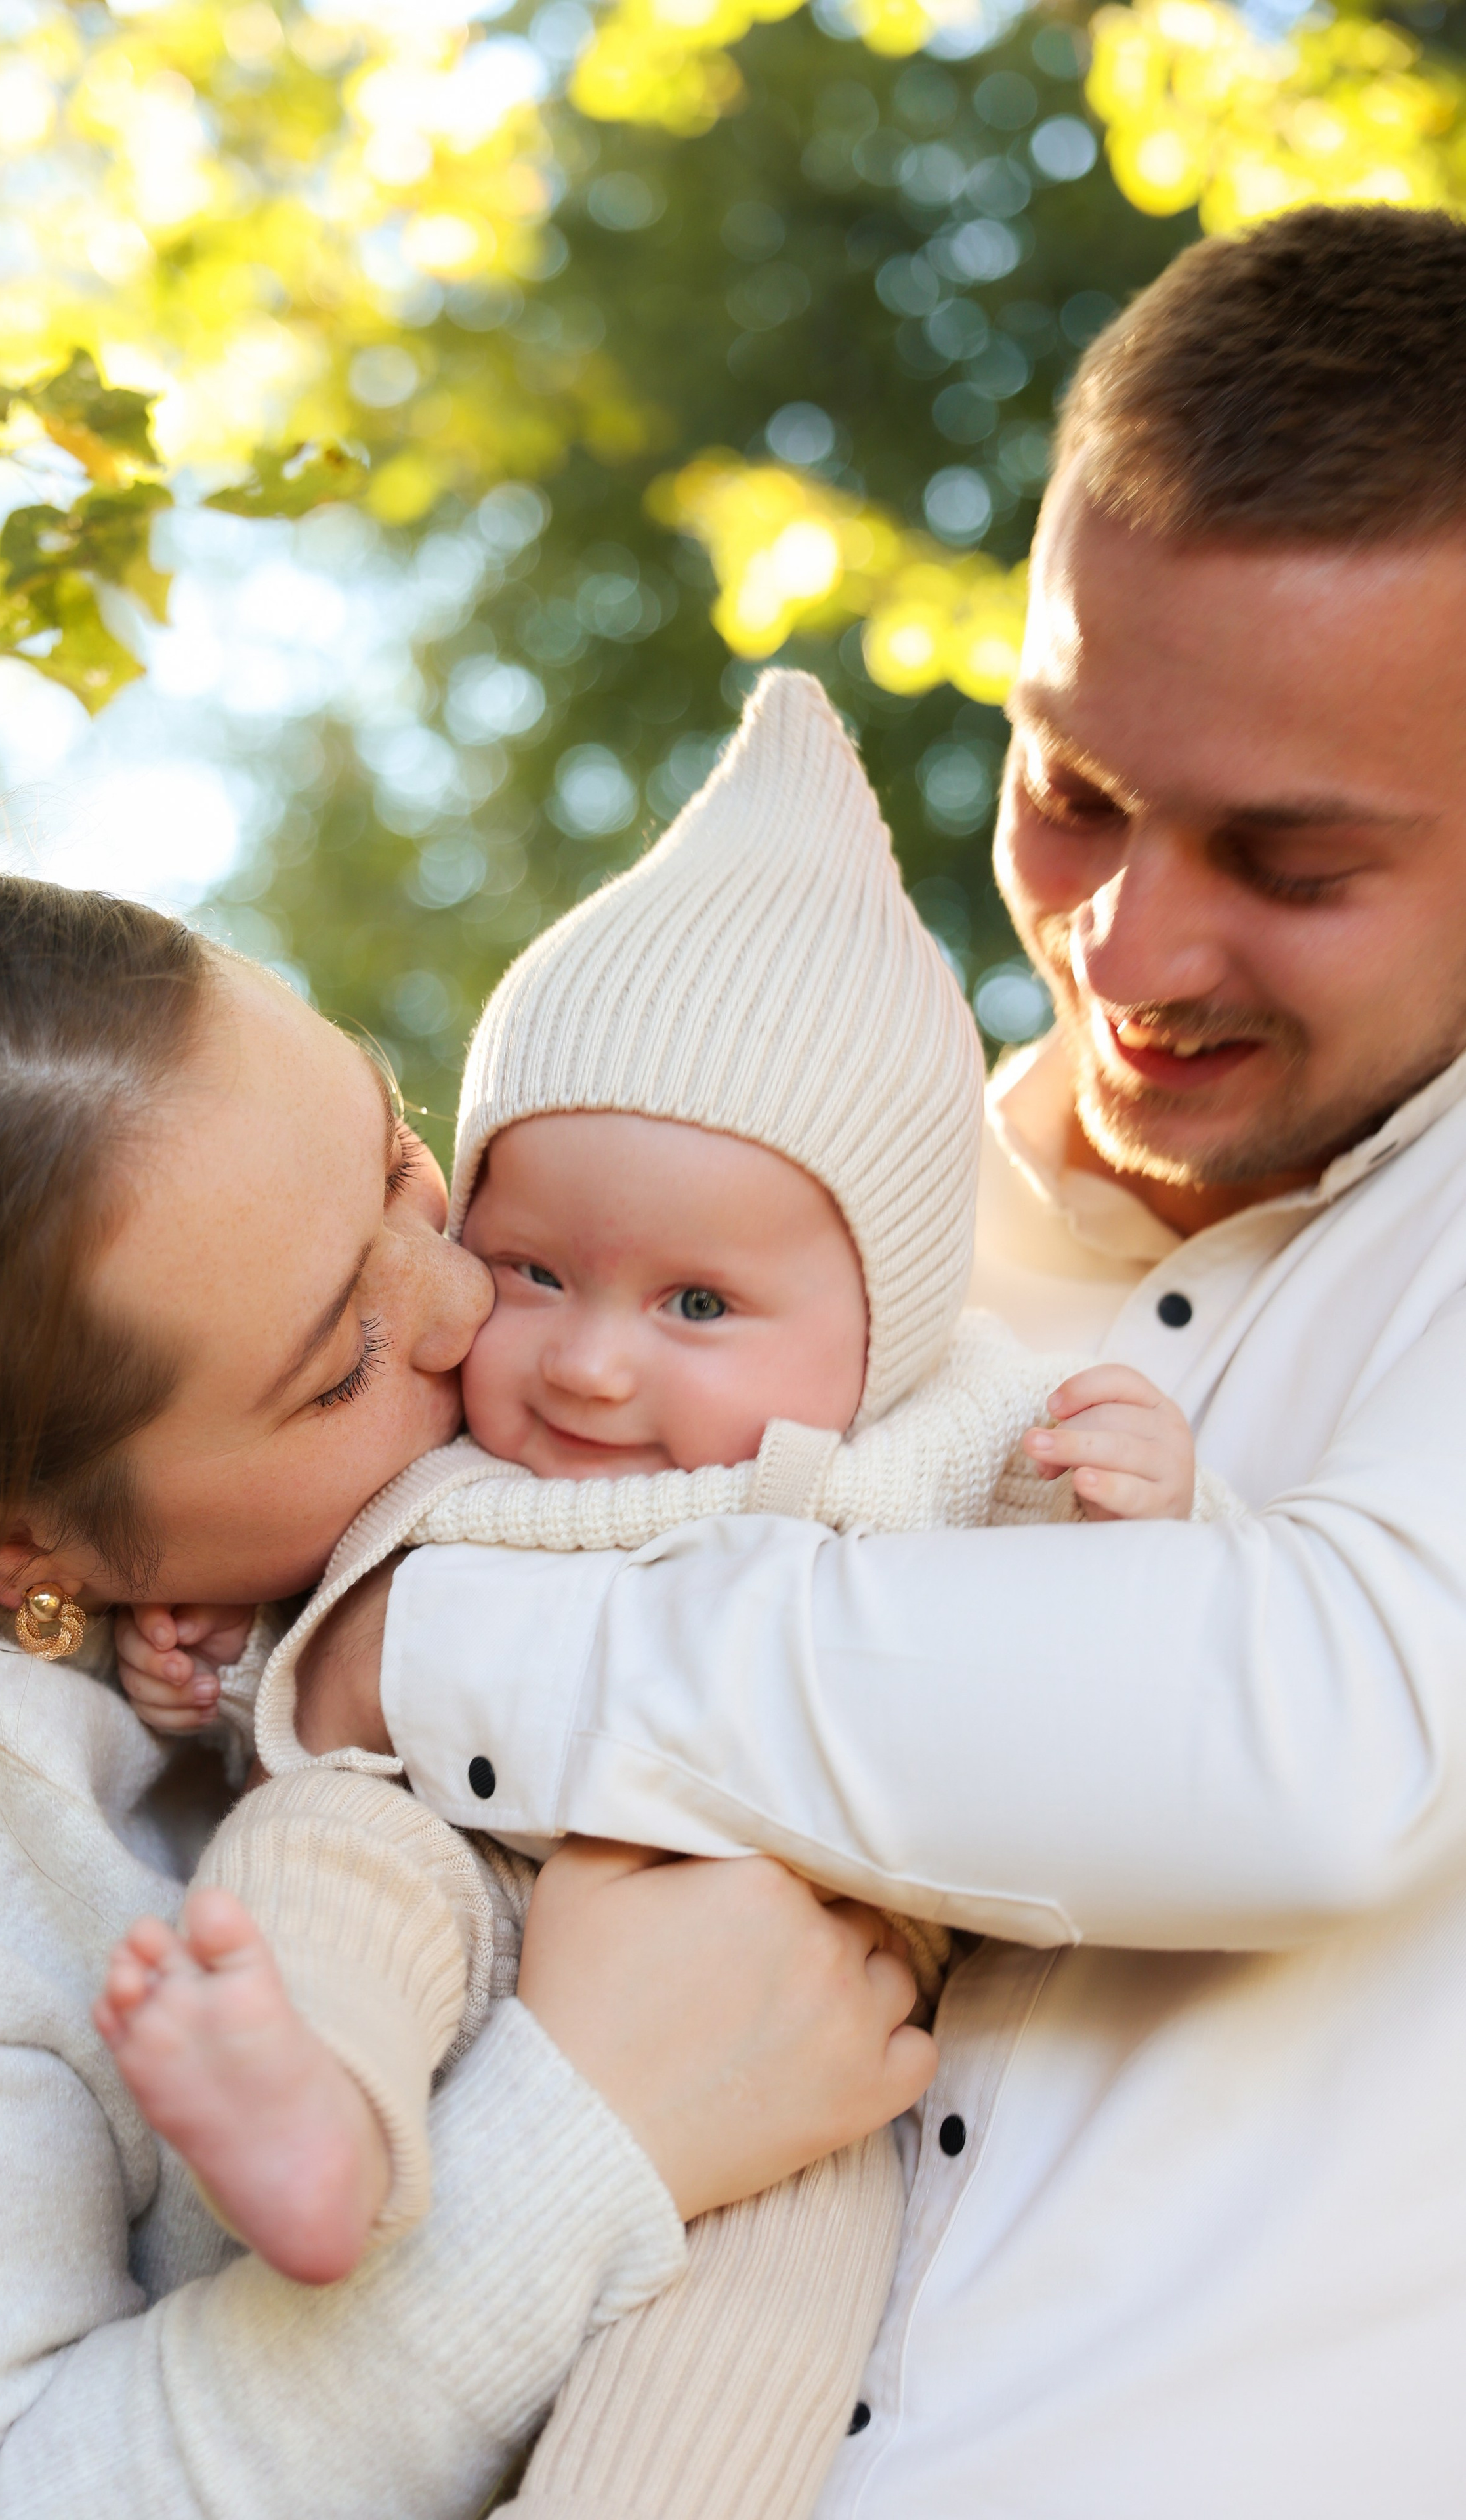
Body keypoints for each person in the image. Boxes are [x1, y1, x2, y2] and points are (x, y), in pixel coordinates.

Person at [285, 202, 1466, 2515]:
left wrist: (442, 1638)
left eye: (1294, 860)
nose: (1127, 935)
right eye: (1072, 789)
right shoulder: (777, 1232)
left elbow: (1322, 1740)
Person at [105, 667, 1217, 2520]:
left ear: (891, 1324)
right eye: (532, 1269)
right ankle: (314, 2118)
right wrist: (205, 1672)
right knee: (311, 1862)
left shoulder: (951, 1434)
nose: (592, 1367)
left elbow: (1121, 1669)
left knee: (756, 2334)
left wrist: (1141, 1505)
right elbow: (312, 1620)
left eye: (697, 1306)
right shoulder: (434, 1443)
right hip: (451, 1866)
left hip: (798, 2005)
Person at [0, 869, 934, 2520]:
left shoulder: (304, 1532)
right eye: (341, 1361)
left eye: (402, 1159)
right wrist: (592, 2127)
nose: (476, 1303)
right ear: (2, 1546)